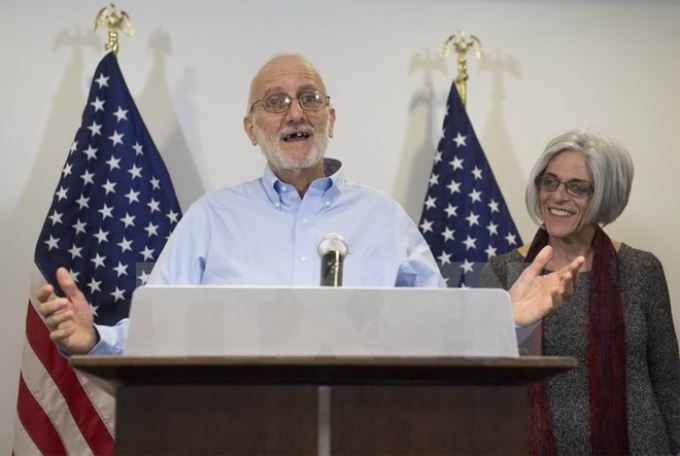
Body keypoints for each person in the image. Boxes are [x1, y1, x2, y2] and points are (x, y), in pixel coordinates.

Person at [38, 54, 584, 357]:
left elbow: (436, 328)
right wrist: (96, 339)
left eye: (310, 98)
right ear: (251, 129)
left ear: (331, 118)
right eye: (275, 102)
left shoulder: (383, 218)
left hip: (368, 428)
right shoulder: (210, 219)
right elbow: (161, 327)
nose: (295, 112)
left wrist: (506, 320)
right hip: (234, 429)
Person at [479, 128, 680, 456]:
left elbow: (668, 377)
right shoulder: (503, 272)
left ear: (606, 195)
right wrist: (512, 322)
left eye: (577, 187)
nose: (558, 196)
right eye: (550, 181)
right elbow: (478, 381)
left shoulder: (642, 269)